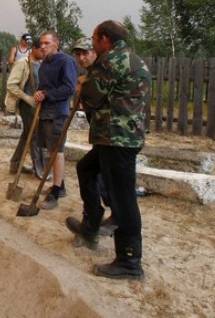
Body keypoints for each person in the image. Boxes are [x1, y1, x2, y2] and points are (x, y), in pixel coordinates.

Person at [65, 20, 151, 281]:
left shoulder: (109, 61)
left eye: (94, 38)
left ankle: (129, 261)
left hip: (116, 139)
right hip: (121, 137)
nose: (92, 44)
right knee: (86, 169)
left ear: (105, 39)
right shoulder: (136, 60)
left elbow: (92, 97)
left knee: (123, 199)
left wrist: (82, 84)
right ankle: (91, 226)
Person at [72, 37, 117, 237]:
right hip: (101, 135)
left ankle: (99, 220)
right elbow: (88, 107)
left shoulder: (99, 73)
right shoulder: (90, 75)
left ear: (95, 53)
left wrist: (85, 87)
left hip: (111, 134)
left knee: (91, 170)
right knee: (93, 171)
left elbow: (96, 103)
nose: (81, 58)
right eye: (78, 54)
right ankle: (96, 219)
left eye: (85, 53)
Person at [33, 31, 78, 210]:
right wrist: (38, 93)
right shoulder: (44, 64)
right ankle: (61, 186)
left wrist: (47, 95)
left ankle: (55, 193)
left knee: (57, 152)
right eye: (41, 43)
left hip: (58, 113)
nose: (43, 46)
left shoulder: (66, 61)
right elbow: (43, 87)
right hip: (45, 112)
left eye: (47, 43)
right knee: (50, 150)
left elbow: (69, 88)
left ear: (56, 43)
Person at [5, 42, 45, 177]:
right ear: (34, 49)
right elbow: (11, 85)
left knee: (27, 134)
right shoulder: (23, 63)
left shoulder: (41, 64)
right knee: (34, 135)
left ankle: (15, 164)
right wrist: (27, 98)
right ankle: (39, 169)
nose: (44, 52)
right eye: (41, 49)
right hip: (26, 106)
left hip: (37, 105)